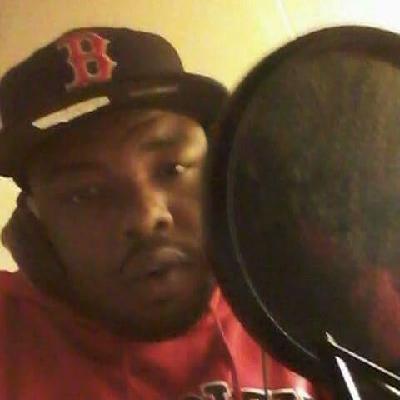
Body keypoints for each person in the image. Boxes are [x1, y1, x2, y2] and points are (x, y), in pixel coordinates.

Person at [0, 27, 328, 399]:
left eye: (171, 169)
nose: (145, 217)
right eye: (86, 193)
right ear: (36, 225)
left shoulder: (315, 287)